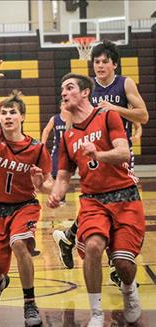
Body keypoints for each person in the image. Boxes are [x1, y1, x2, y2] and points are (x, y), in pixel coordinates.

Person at [48, 73, 144, 326]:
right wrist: (55, 192)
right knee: (92, 247)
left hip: (125, 196)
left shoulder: (107, 115)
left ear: (85, 92)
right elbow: (64, 174)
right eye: (62, 89)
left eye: (69, 88)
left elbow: (123, 152)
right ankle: (97, 313)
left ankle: (129, 289)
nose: (64, 93)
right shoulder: (67, 136)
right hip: (93, 200)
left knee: (123, 263)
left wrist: (99, 154)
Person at [52, 40, 148, 283]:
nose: (100, 65)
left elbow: (143, 115)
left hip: (118, 151)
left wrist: (114, 108)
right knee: (97, 200)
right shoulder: (87, 88)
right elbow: (73, 122)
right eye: (96, 61)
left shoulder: (124, 83)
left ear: (114, 64)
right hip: (91, 153)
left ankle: (71, 237)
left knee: (119, 199)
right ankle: (74, 239)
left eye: (105, 61)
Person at [0, 91, 51, 326]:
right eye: (3, 113)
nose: (8, 116)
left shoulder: (37, 149)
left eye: (13, 112)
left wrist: (42, 185)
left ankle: (30, 303)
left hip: (25, 206)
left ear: (22, 117)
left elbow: (49, 185)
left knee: (19, 243)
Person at [41, 101, 71, 205]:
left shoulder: (72, 118)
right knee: (54, 174)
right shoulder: (55, 119)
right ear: (60, 106)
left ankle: (61, 197)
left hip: (69, 149)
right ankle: (55, 196)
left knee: (65, 174)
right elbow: (46, 131)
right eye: (63, 104)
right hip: (57, 150)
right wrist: (42, 145)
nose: (65, 105)